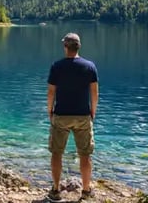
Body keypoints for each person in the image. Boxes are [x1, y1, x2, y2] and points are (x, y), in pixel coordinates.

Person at [46, 33, 99, 202]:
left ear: (65, 47)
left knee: (56, 153)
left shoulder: (57, 66)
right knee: (85, 155)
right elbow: (94, 92)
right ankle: (85, 191)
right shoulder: (89, 66)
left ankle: (55, 190)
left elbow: (51, 92)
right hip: (83, 115)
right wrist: (93, 112)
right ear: (78, 47)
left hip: (61, 115)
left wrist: (50, 111)